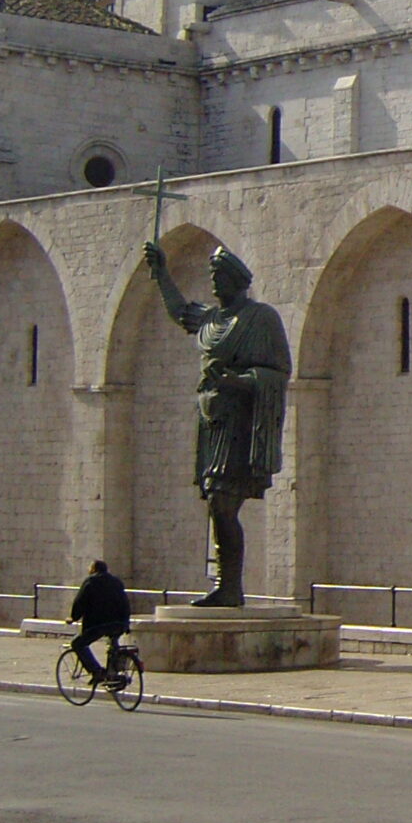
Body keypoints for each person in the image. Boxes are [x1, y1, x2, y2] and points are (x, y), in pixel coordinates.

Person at [141, 240, 292, 607]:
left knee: (224, 503)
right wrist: (161, 273)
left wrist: (235, 381)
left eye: (219, 278)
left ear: (236, 281)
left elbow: (279, 371)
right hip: (212, 422)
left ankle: (230, 588)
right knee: (215, 502)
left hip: (239, 424)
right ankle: (227, 586)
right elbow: (180, 312)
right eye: (211, 278)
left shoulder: (260, 318)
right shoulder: (212, 319)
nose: (213, 285)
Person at [68, 559, 132, 686]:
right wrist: (125, 623)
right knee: (113, 644)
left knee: (77, 644)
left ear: (93, 569)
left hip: (98, 625)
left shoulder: (91, 582)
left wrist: (73, 618)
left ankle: (97, 671)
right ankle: (112, 674)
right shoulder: (117, 582)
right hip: (119, 623)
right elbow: (125, 603)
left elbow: (80, 602)